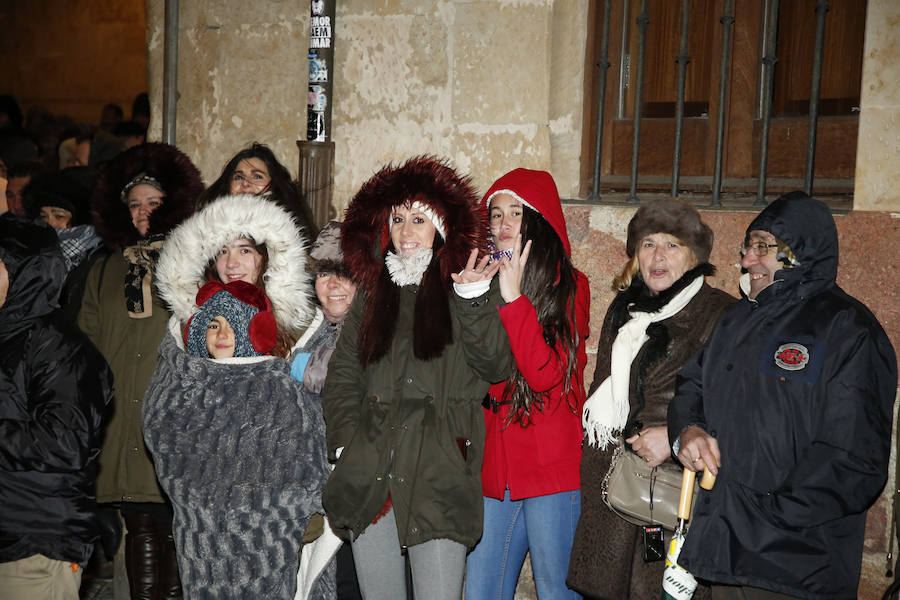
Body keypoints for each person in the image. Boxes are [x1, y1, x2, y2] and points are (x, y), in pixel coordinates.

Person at [667, 191, 897, 600]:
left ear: (801, 252)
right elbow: (692, 385)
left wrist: (769, 513)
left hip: (796, 564)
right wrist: (688, 430)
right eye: (747, 247)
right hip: (724, 550)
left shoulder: (847, 330)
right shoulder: (738, 320)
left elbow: (855, 460)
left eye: (763, 247)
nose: (747, 260)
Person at [321, 156, 512, 600]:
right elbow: (344, 374)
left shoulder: (468, 288)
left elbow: (495, 367)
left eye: (420, 220)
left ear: (443, 228)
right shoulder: (372, 295)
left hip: (439, 470)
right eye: (399, 218)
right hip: (373, 469)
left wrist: (472, 299)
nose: (407, 231)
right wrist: (347, 441)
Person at [567, 198, 734, 599]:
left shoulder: (723, 314)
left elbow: (737, 410)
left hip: (671, 493)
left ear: (694, 256)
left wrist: (674, 438)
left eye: (671, 245)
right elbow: (601, 391)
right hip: (610, 491)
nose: (657, 256)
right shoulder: (624, 311)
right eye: (647, 244)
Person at [143, 280, 332, 598]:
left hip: (262, 546)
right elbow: (165, 443)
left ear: (253, 331)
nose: (221, 334)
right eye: (214, 324)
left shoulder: (278, 387)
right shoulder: (188, 387)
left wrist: (266, 514)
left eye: (233, 324)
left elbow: (305, 467)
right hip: (200, 543)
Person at [77, 142, 202, 600]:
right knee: (141, 526)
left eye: (153, 203)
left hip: (171, 420)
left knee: (175, 530)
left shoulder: (193, 266)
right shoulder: (105, 270)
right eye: (135, 205)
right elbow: (87, 347)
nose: (143, 212)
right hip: (121, 423)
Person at [462, 168, 590, 600]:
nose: (502, 224)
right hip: (496, 467)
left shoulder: (570, 286)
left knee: (556, 591)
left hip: (549, 463)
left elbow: (544, 374)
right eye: (495, 214)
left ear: (538, 219)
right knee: (481, 591)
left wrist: (515, 299)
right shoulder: (481, 279)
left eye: (515, 213)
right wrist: (470, 300)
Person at [0, 215, 113, 600]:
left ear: (24, 271)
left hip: (35, 545)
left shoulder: (61, 348)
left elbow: (63, 443)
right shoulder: (8, 337)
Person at [155, 193, 315, 360]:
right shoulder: (188, 323)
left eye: (244, 250)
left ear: (268, 256)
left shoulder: (302, 323)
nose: (231, 263)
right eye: (223, 252)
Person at [292, 221, 362, 600]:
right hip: (317, 486)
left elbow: (343, 370)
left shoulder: (371, 328)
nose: (332, 285)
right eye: (323, 274)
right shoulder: (314, 329)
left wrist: (295, 366)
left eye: (344, 275)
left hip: (359, 482)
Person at [197, 142, 316, 235]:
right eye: (238, 177)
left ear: (275, 184)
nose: (246, 183)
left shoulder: (291, 231)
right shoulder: (207, 226)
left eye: (257, 177)